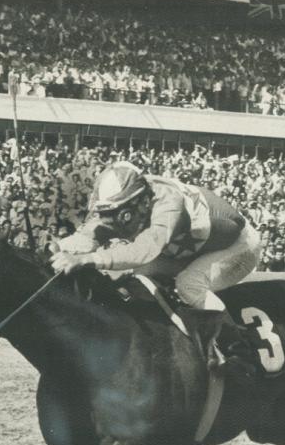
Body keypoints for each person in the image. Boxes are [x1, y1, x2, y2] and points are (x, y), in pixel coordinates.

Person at [50, 161, 264, 376]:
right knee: (140, 281)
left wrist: (88, 259)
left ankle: (239, 351)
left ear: (141, 201)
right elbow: (89, 236)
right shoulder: (127, 201)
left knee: (189, 285)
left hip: (238, 247)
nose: (112, 222)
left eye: (120, 213)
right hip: (188, 249)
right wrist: (59, 246)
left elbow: (144, 251)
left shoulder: (168, 203)